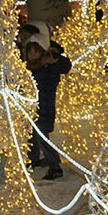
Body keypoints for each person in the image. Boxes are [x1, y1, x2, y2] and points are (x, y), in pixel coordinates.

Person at [19, 21, 71, 180]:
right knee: (32, 135)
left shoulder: (48, 67)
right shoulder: (32, 68)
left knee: (43, 140)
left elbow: (64, 66)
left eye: (36, 51)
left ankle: (55, 168)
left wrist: (54, 57)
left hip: (44, 109)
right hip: (34, 109)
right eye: (30, 52)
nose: (32, 55)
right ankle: (33, 160)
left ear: (42, 51)